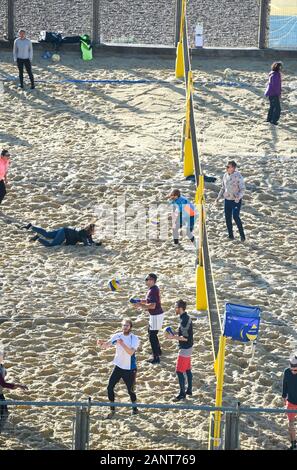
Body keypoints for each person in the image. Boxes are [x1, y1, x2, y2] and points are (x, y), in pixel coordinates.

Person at [97, 319, 140, 419]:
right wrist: (101, 344)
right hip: (118, 366)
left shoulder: (134, 338)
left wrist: (122, 343)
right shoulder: (117, 335)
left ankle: (135, 408)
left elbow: (130, 352)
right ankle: (112, 409)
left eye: (127, 326)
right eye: (124, 325)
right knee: (109, 387)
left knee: (131, 391)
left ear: (130, 327)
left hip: (130, 368)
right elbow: (107, 345)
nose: (125, 327)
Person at [165, 300, 193, 402]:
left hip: (185, 349)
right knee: (188, 369)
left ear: (180, 308)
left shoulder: (184, 320)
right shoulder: (185, 317)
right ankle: (189, 390)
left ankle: (182, 394)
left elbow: (185, 338)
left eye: (175, 307)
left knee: (179, 371)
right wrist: (175, 333)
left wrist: (172, 337)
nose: (174, 308)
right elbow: (184, 332)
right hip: (189, 348)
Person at [135, 273, 164, 364]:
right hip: (156, 315)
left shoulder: (153, 290)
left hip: (156, 315)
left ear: (152, 280)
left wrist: (140, 305)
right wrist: (139, 300)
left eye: (147, 279)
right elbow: (149, 301)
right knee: (151, 333)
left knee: (152, 336)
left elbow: (152, 306)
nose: (146, 281)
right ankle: (158, 351)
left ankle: (156, 357)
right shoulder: (153, 289)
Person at [215, 161, 246, 242]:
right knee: (227, 218)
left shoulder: (238, 176)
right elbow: (223, 187)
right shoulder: (225, 175)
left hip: (236, 201)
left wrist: (238, 197)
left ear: (233, 168)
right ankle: (231, 236)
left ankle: (242, 236)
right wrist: (218, 197)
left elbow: (243, 189)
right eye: (226, 166)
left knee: (236, 216)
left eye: (228, 167)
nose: (227, 168)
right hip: (227, 200)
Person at [0, 350, 28, 432]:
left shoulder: (1, 366)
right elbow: (3, 384)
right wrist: (18, 385)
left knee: (4, 413)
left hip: (0, 393)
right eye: (2, 355)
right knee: (4, 413)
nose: (3, 356)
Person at [24, 222, 102, 247]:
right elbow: (86, 244)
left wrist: (96, 243)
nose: (94, 232)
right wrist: (93, 244)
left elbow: (90, 241)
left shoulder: (87, 233)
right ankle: (37, 238)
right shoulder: (84, 233)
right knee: (52, 245)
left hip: (64, 229)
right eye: (94, 230)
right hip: (64, 233)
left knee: (47, 234)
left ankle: (31, 226)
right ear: (91, 230)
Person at [282, 353, 297, 450]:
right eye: (292, 369)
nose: (293, 372)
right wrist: (284, 397)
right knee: (290, 425)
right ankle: (293, 443)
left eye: (296, 370)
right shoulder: (287, 372)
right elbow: (285, 386)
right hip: (291, 401)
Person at [265, 61, 282, 126]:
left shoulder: (272, 73)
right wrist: (278, 94)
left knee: (272, 106)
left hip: (270, 93)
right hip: (273, 93)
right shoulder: (275, 75)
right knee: (277, 108)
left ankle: (269, 119)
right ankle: (274, 121)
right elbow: (276, 86)